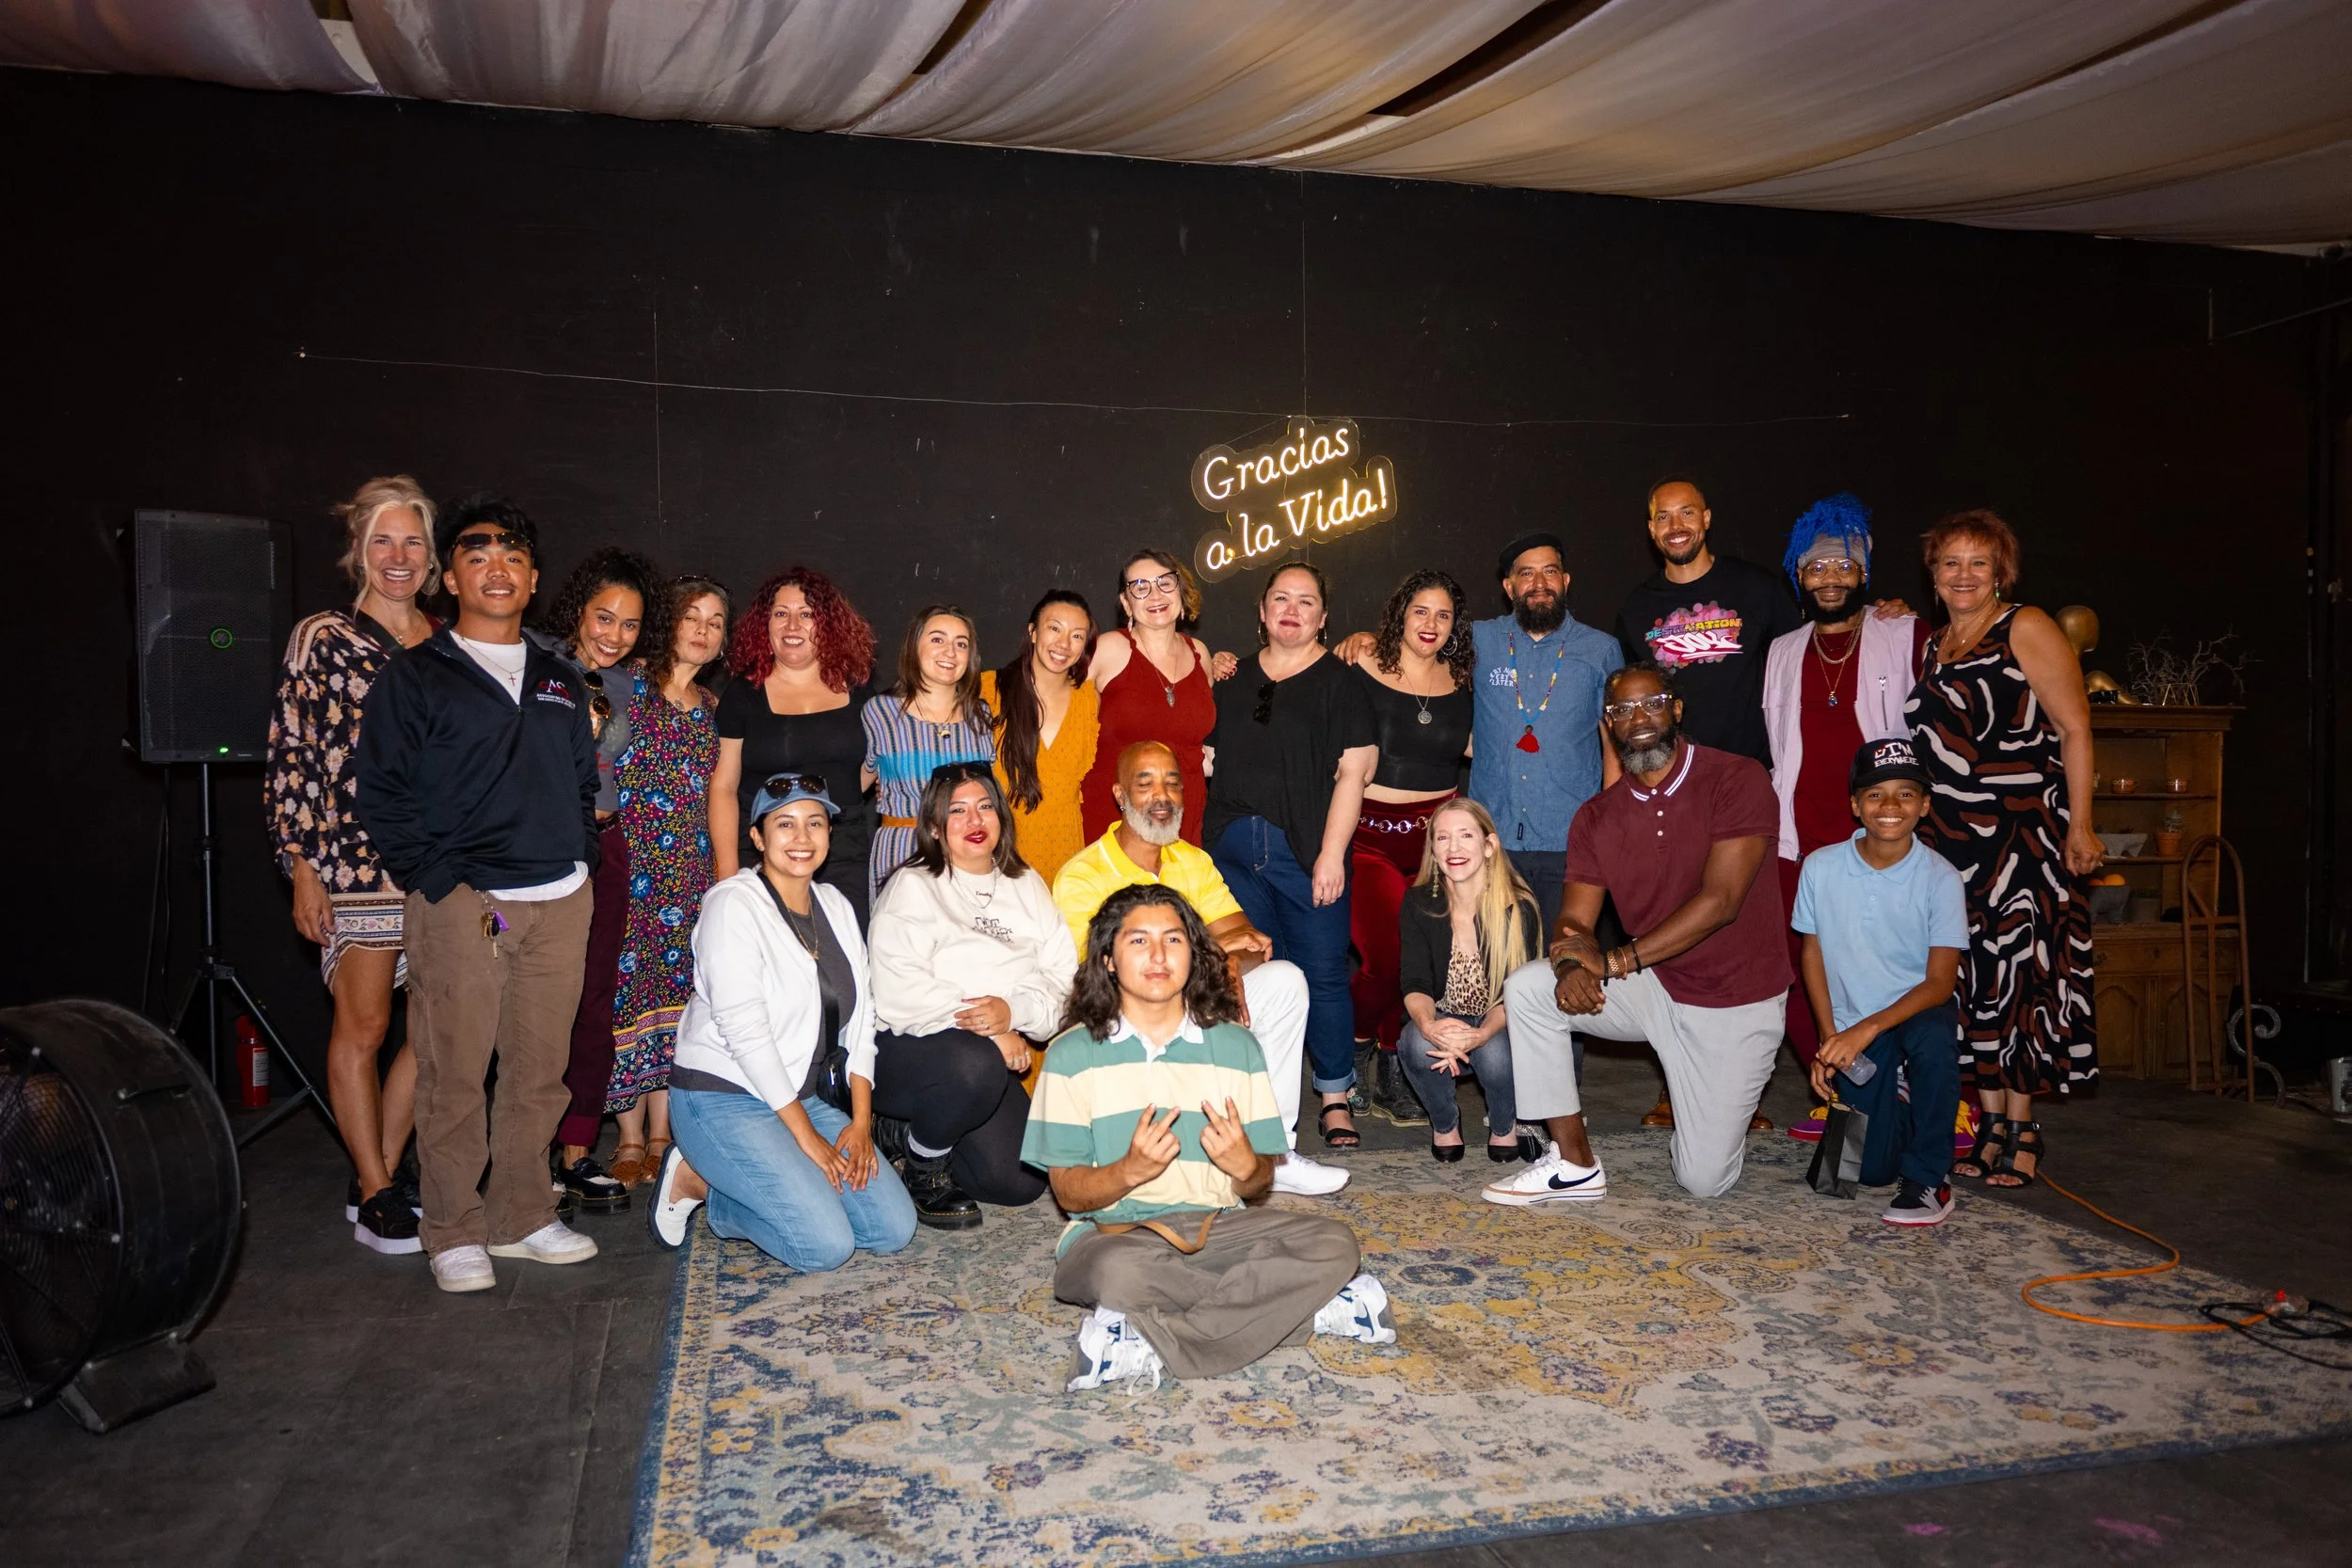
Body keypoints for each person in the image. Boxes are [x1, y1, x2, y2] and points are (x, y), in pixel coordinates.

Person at [356, 494, 601, 1292]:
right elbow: (380, 791)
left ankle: (521, 1214)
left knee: (540, 1072)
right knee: (455, 1072)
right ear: (452, 578)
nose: (498, 568)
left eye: (513, 557)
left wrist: (582, 859)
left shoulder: (561, 679)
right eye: (477, 554)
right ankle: (453, 1227)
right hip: (465, 901)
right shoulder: (416, 675)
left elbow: (582, 781)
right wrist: (441, 883)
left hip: (559, 900)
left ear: (531, 580)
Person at [1024, 884, 1393, 1392]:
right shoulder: (1070, 1053)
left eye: (1174, 940)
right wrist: (1129, 1171)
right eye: (1139, 941)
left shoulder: (1236, 1046)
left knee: (1334, 1244)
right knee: (1118, 1275)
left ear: (1194, 955)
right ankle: (1314, 1310)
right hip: (1116, 1236)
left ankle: (1141, 1338)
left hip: (1221, 1228)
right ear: (1108, 959)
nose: (1158, 956)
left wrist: (1246, 1166)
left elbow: (1256, 1183)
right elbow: (1068, 1192)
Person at [1485, 663, 1791, 1206]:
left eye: (1652, 703)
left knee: (1702, 1180)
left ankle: (1708, 1109)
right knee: (1530, 988)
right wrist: (1571, 964)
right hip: (1655, 987)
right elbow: (1575, 921)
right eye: (1622, 710)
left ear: (1677, 709)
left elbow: (1720, 903)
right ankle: (1575, 1164)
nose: (1639, 718)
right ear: (1609, 724)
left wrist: (1612, 962)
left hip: (1733, 1000)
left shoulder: (1736, 777)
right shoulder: (1597, 816)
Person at [644, 774, 916, 1271]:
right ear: (757, 836)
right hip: (724, 1096)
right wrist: (807, 1139)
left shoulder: (836, 904)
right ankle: (701, 1184)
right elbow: (746, 1036)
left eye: (815, 823)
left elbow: (863, 1021)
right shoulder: (732, 905)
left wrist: (860, 1123)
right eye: (785, 824)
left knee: (892, 1228)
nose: (802, 837)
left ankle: (785, 1185)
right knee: (824, 1246)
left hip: (803, 1095)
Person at [1053, 741, 1347, 1196]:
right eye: (1146, 783)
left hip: (1189, 1002)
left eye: (1172, 782)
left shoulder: (1191, 860)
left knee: (1285, 981)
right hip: (1122, 1016)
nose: (1162, 795)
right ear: (1120, 795)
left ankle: (1272, 1153)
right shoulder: (1084, 873)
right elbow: (1104, 972)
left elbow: (1252, 942)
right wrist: (1210, 955)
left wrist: (1226, 960)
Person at [265, 474, 437, 1253]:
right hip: (355, 860)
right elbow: (293, 752)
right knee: (364, 1026)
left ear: (432, 555)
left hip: (442, 862)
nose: (399, 556)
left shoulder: (450, 639)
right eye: (383, 541)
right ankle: (375, 1192)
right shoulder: (323, 636)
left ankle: (380, 1170)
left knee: (438, 1031)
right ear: (358, 550)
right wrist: (300, 863)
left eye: (413, 541)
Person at [1911, 510, 2101, 1189]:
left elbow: (2075, 728)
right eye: (1951, 562)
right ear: (1934, 574)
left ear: (2001, 573)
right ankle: (1990, 1125)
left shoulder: (2026, 626)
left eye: (1978, 563)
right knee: (1973, 983)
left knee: (2021, 981)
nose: (1963, 575)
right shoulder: (1934, 645)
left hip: (2023, 838)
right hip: (1950, 847)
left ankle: (2023, 1129)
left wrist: (2081, 825)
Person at [1335, 535, 1619, 927]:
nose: (1539, 583)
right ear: (1508, 587)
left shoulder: (1601, 650)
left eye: (1550, 571)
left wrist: (1610, 823)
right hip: (1490, 842)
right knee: (1494, 953)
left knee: (1566, 952)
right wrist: (1366, 639)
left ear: (1566, 581)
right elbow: (1421, 641)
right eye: (1526, 574)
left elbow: (1614, 745)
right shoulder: (1478, 640)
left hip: (1571, 839)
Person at [1763, 496, 1931, 1138]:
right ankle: (1839, 1096)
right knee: (1797, 970)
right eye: (1815, 567)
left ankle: (1929, 1098)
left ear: (1864, 572)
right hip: (1798, 840)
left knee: (1897, 966)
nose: (1829, 578)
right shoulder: (1782, 650)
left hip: (1882, 837)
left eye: (1843, 565)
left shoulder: (1904, 634)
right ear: (1798, 575)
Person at [1204, 562, 1380, 1148]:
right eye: (1281, 598)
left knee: (1323, 973)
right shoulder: (1232, 678)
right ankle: (1256, 1097)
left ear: (1323, 618)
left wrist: (1331, 855)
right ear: (1262, 611)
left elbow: (1354, 774)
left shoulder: (1341, 683)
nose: (1292, 609)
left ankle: (1334, 1097)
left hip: (1304, 851)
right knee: (1253, 973)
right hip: (1230, 852)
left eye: (1306, 601)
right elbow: (1208, 758)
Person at [867, 764, 1068, 1227]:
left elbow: (1062, 979)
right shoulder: (913, 886)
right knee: (975, 1064)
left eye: (985, 807)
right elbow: (898, 990)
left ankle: (901, 1135)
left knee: (1019, 1182)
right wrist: (991, 1031)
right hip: (908, 1052)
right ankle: (924, 1167)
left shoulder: (1026, 883)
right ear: (935, 826)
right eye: (957, 811)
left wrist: (1014, 1010)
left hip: (984, 1059)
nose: (974, 821)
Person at [1793, 737, 1968, 1227]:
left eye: (1905, 794)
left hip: (1913, 1012)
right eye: (1875, 794)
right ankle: (1899, 1096)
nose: (1890, 806)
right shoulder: (1820, 866)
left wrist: (1864, 1031)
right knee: (1853, 1175)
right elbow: (1813, 953)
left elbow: (1940, 983)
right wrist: (1830, 1040)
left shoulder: (1941, 878)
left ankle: (1930, 1179)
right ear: (1855, 805)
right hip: (1854, 1029)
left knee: (1934, 1039)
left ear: (1925, 805)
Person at [545, 547, 669, 1215]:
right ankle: (522, 1157)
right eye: (604, 617)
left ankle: (575, 1153)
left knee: (596, 1001)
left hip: (607, 848)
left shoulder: (625, 683)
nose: (614, 634)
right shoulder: (536, 661)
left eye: (629, 624)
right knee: (531, 1003)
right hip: (537, 853)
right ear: (578, 610)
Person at [603, 575, 729, 1188]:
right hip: (627, 869)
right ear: (668, 622)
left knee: (679, 999)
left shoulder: (714, 709)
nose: (703, 630)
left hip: (690, 875)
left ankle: (663, 1133)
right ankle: (629, 1136)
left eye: (715, 622)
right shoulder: (626, 685)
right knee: (625, 996)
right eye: (691, 617)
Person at [1347, 570, 1474, 1126]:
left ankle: (1393, 1066)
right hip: (1367, 838)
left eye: (1443, 615)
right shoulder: (1359, 663)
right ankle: (1353, 1047)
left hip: (1434, 846)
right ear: (1400, 613)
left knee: (1422, 964)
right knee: (1385, 958)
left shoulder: (1463, 680)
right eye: (1420, 610)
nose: (1430, 623)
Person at [709, 567, 878, 927]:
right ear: (765, 624)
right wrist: (728, 874)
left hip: (843, 851)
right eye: (781, 614)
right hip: (764, 851)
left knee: (845, 951)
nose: (792, 625)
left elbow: (867, 771)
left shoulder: (859, 692)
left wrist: (839, 803)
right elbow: (723, 787)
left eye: (806, 615)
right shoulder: (743, 696)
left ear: (826, 625)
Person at [1614, 479, 1803, 767]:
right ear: (1652, 529)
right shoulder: (1635, 608)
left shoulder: (1756, 587)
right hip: (1675, 773)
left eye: (1687, 512)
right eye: (1663, 517)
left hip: (1751, 770)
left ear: (1706, 518)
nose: (1676, 526)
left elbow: (1805, 655)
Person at [1395, 799, 1544, 1164]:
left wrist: (1480, 1035)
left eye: (1465, 836)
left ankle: (1504, 1124)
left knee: (1494, 1053)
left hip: (1500, 1021)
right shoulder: (1419, 902)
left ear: (1488, 845)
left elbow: (1518, 996)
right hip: (1444, 1016)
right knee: (1414, 1042)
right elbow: (1414, 982)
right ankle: (1445, 1123)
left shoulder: (1517, 906)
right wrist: (1431, 1026)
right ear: (1433, 850)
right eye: (1443, 838)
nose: (1454, 848)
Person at [1078, 550, 1220, 847]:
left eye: (1165, 582)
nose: (1155, 595)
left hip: (1185, 820)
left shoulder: (1201, 654)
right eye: (1140, 587)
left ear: (1180, 590)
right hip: (1116, 823)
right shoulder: (1108, 649)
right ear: (1126, 603)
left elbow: (1201, 746)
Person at [863, 606, 994, 906]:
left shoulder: (982, 717)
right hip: (902, 855)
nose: (950, 651)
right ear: (914, 646)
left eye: (961, 644)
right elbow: (855, 783)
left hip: (969, 858)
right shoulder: (880, 712)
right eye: (937, 639)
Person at [979, 590, 1100, 883]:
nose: (1064, 643)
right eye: (1054, 628)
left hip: (1067, 857)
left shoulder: (1089, 700)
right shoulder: (988, 690)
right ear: (1033, 632)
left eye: (1077, 635)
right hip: (1001, 856)